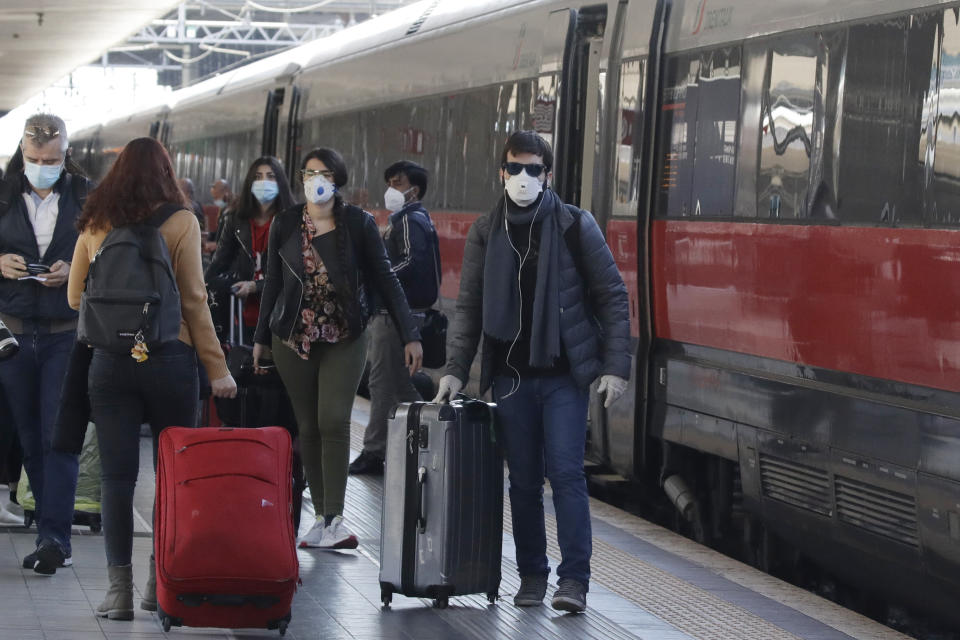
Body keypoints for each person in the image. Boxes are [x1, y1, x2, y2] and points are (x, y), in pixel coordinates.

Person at [432, 131, 631, 613]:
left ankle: (575, 582)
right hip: (511, 378)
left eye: (533, 169)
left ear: (548, 174)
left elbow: (612, 296)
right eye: (515, 168)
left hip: (564, 377)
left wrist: (615, 367)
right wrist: (456, 370)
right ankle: (532, 576)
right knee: (522, 481)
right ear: (501, 172)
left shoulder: (573, 226)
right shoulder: (486, 231)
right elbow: (471, 307)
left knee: (565, 475)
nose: (524, 178)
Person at [68, 137, 237, 620]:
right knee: (172, 477)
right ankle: (156, 584)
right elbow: (194, 301)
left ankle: (117, 592)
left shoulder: (97, 221)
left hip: (111, 364)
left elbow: (75, 300)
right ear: (166, 173)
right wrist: (218, 368)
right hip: (170, 360)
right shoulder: (182, 222)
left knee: (118, 480)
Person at [252, 147, 422, 550]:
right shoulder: (286, 223)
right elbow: (273, 284)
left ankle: (337, 518)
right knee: (307, 425)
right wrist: (261, 339)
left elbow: (386, 280)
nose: (316, 179)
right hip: (293, 337)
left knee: (333, 419)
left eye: (324, 172)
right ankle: (320, 519)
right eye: (309, 173)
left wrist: (410, 333)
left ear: (337, 178)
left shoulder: (359, 224)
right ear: (301, 179)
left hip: (344, 336)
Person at [0, 114, 92, 574]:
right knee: (30, 436)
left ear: (66, 155)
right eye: (34, 159)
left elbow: (105, 250)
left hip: (63, 332)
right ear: (22, 152)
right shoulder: (1, 196)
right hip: (13, 333)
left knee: (59, 435)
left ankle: (55, 537)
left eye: (52, 160)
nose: (43, 166)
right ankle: (47, 531)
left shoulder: (86, 197)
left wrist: (74, 270)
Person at [349, 160, 440, 475]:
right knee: (398, 386)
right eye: (389, 182)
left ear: (414, 189)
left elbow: (412, 263)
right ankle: (439, 438)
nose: (391, 189)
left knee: (382, 382)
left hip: (394, 314)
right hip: (397, 313)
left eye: (398, 183)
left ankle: (375, 451)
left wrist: (378, 276)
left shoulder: (410, 221)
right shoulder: (409, 219)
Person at [205, 156, 295, 342]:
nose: (264, 182)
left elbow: (293, 275)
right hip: (241, 313)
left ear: (280, 182)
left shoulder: (292, 222)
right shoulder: (236, 220)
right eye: (258, 177)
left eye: (270, 176)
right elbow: (218, 265)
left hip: (281, 315)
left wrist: (255, 286)